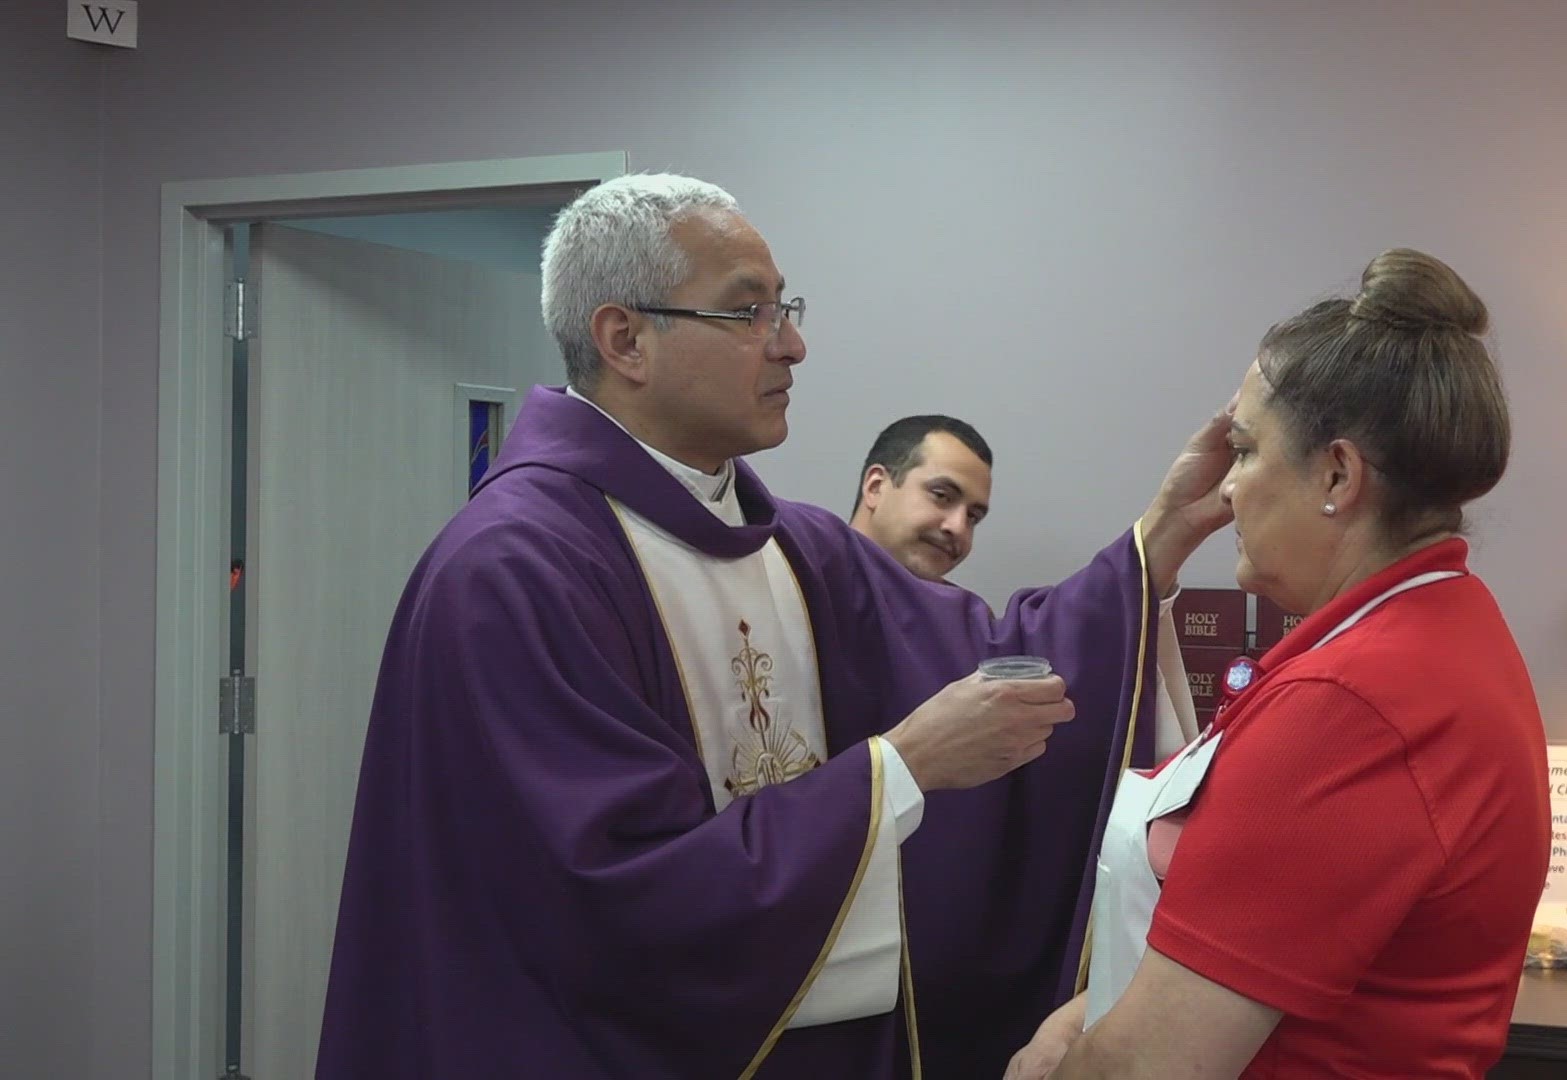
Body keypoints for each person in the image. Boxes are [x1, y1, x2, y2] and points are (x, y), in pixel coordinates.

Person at [315, 172, 1223, 1080]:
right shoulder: (514, 571)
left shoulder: (796, 546)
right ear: (625, 338)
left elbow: (988, 654)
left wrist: (1159, 544)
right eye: (747, 312)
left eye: (783, 307)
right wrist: (899, 769)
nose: (791, 344)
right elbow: (610, 900)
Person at [1009, 249, 1551, 1079]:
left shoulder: (1350, 705)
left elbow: (1149, 1070)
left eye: (1246, 450)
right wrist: (1092, 1011)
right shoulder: (1440, 623)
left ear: (1337, 474)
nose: (1226, 489)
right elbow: (1267, 948)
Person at [849, 414, 994, 582]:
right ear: (876, 487)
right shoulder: (814, 578)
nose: (958, 528)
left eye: (972, 516)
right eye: (941, 496)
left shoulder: (963, 608)